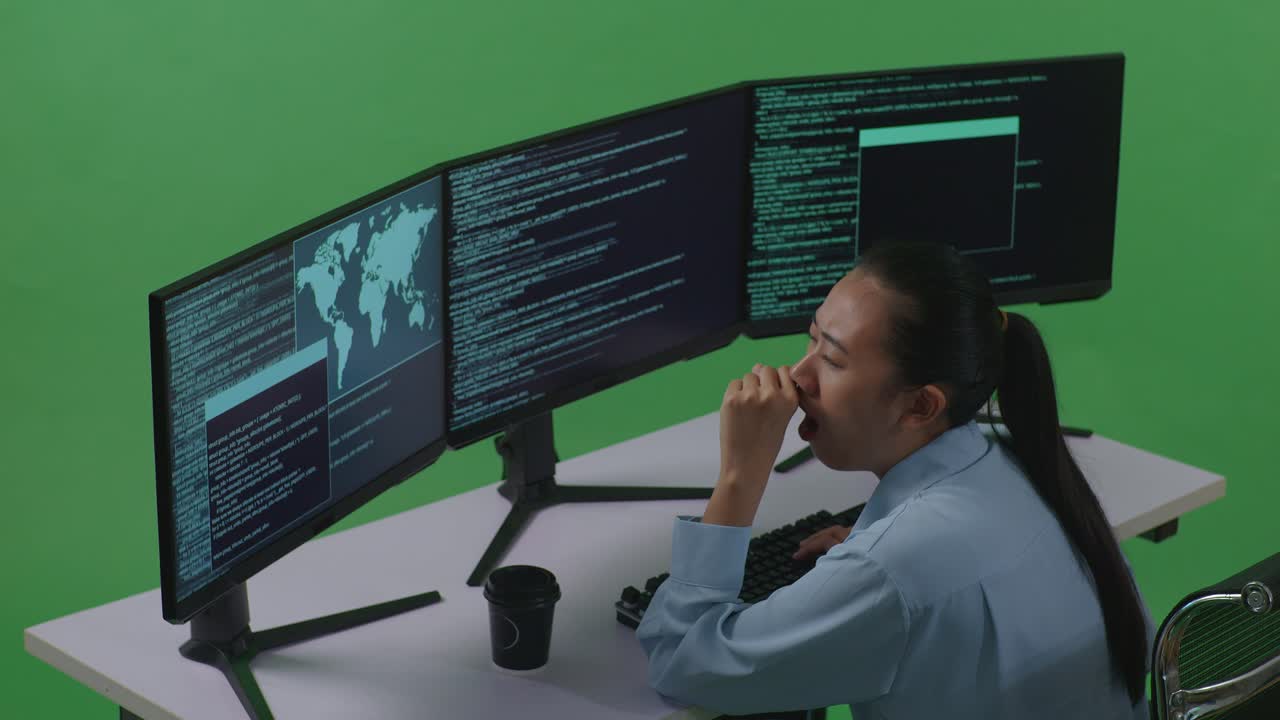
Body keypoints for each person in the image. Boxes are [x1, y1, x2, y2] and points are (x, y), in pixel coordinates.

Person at [636, 241, 1154, 719]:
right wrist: (869, 556)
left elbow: (682, 663)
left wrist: (739, 476)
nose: (798, 374)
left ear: (921, 405)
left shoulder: (890, 570)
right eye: (812, 340)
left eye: (833, 360)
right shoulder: (1021, 465)